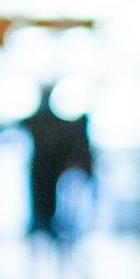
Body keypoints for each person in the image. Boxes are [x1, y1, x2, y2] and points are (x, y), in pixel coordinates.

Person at [23, 88, 95, 250]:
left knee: (47, 206)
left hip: (49, 173)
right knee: (40, 207)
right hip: (40, 173)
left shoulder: (52, 122)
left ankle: (47, 229)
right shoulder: (39, 120)